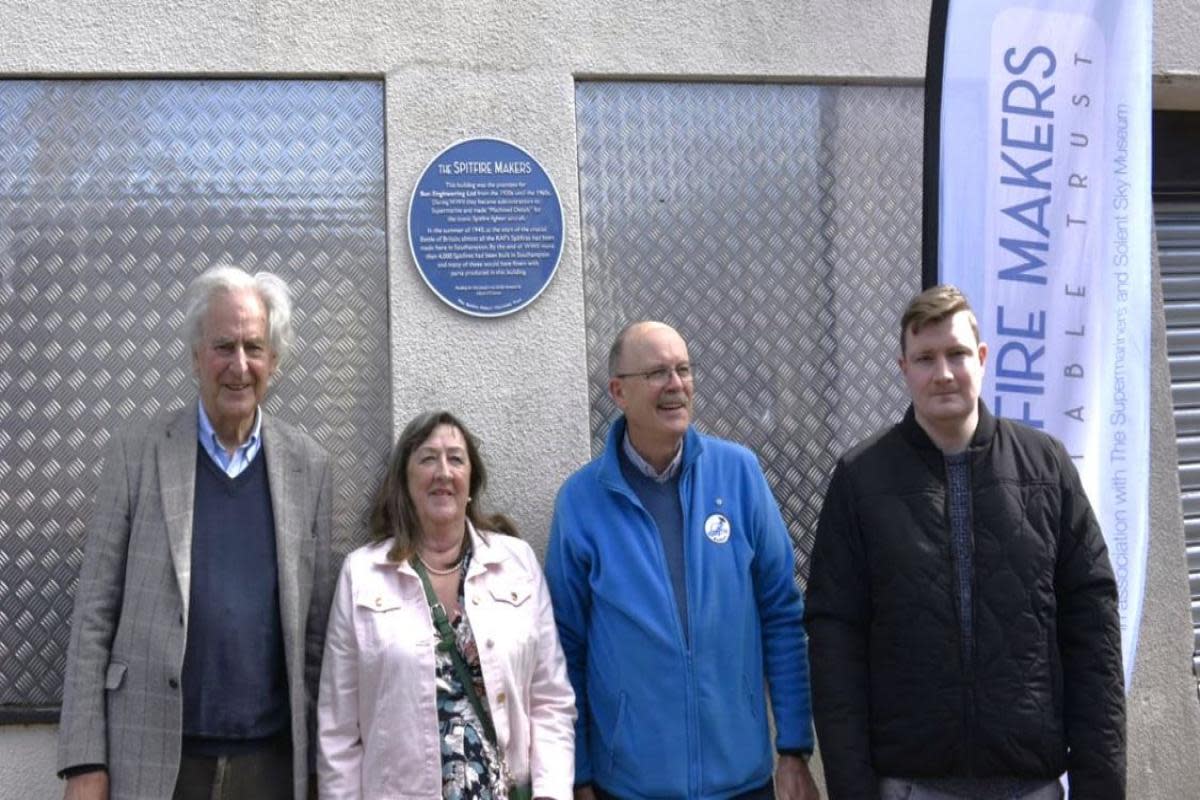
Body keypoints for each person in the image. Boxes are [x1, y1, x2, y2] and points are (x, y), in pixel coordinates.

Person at [805, 285, 1126, 800]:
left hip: (1032, 784)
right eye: (925, 358)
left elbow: (1093, 630)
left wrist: (1101, 785)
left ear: (981, 358)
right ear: (903, 368)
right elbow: (834, 642)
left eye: (956, 354)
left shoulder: (1046, 468)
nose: (944, 372)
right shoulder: (861, 480)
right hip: (911, 786)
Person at [57, 265, 335, 800]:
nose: (238, 365)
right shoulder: (137, 455)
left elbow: (317, 637)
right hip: (157, 759)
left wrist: (324, 767)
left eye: (253, 347)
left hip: (271, 765)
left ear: (273, 362)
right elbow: (94, 615)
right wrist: (84, 760)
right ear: (195, 356)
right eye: (222, 346)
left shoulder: (310, 467)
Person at [545, 320, 819, 800]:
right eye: (657, 373)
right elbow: (566, 648)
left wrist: (794, 747)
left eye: (684, 370)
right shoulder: (581, 502)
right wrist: (580, 774)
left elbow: (781, 615)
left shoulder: (739, 474)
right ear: (618, 392)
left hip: (743, 781)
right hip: (629, 786)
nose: (676, 385)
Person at [317, 410, 576, 800]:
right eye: (427, 459)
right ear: (404, 481)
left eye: (455, 458)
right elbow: (338, 727)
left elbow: (551, 699)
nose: (443, 471)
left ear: (471, 480)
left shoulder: (516, 563)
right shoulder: (362, 574)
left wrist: (552, 793)